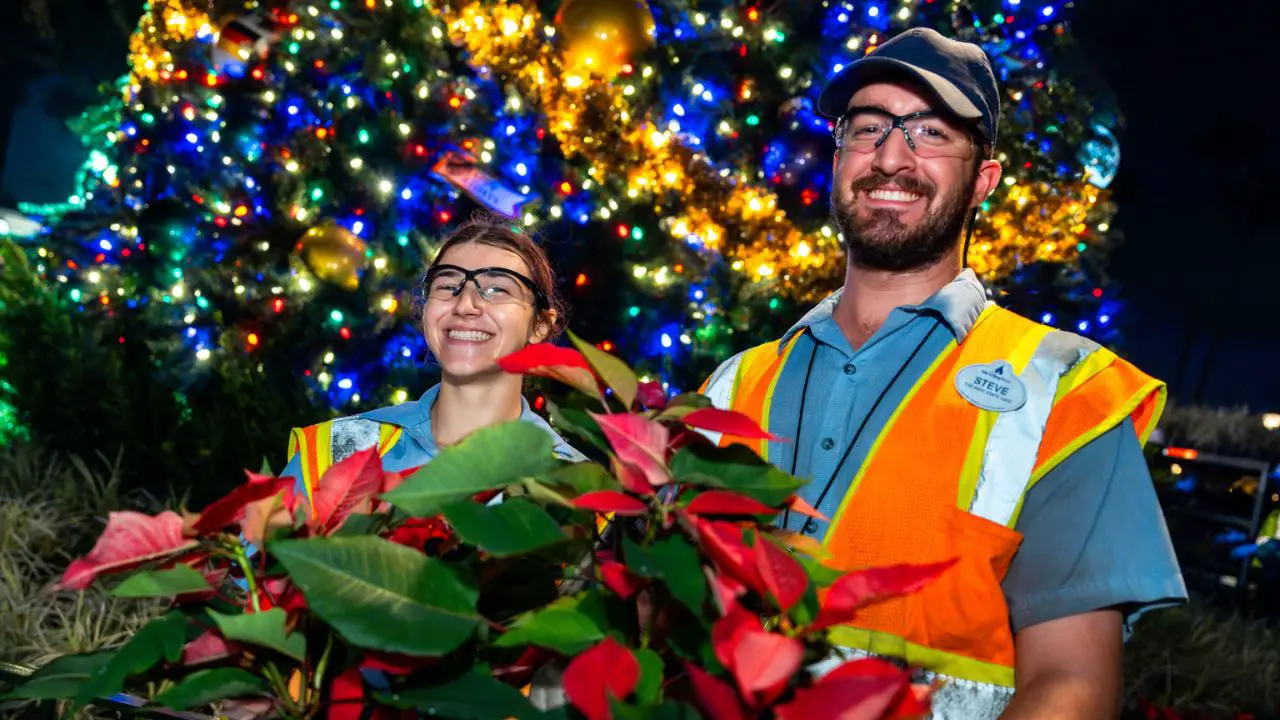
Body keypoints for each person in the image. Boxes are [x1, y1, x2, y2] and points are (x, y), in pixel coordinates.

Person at [700, 28, 1185, 719]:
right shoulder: (732, 386)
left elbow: (1071, 684)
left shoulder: (1064, 392)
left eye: (929, 133)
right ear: (837, 159)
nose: (891, 157)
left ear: (983, 180)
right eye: (867, 128)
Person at [281, 213, 585, 498]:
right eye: (449, 286)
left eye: (497, 290)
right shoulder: (336, 450)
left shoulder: (576, 488)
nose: (465, 304)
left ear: (540, 325)